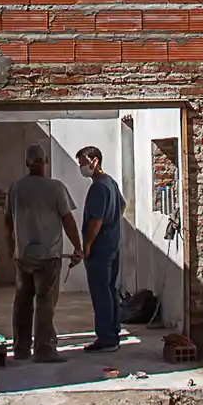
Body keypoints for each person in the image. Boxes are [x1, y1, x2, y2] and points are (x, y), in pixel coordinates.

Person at [3, 144, 83, 363]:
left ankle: (20, 349)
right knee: (45, 303)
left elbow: (8, 221)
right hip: (48, 257)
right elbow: (68, 220)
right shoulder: (56, 188)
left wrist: (12, 246)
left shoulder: (16, 187)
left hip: (24, 255)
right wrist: (78, 247)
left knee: (22, 302)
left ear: (27, 163)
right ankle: (44, 350)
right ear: (45, 162)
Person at [77, 144, 125, 352]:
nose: (81, 168)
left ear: (95, 161)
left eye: (83, 163)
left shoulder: (98, 186)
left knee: (100, 291)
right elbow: (122, 206)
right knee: (110, 289)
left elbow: (95, 221)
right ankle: (114, 331)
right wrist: (113, 224)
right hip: (113, 244)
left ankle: (106, 337)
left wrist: (87, 245)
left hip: (100, 248)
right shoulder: (111, 183)